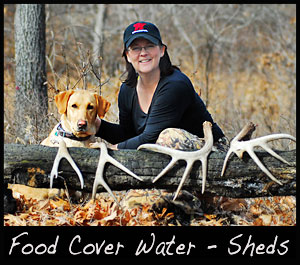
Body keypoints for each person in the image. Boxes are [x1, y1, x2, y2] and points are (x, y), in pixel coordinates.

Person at [96, 21, 226, 150]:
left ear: (162, 50)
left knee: (168, 137)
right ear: (127, 56)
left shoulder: (175, 85)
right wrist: (96, 126)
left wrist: (109, 150)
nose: (143, 53)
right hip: (168, 159)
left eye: (150, 46)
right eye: (136, 48)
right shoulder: (127, 90)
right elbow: (128, 136)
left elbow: (149, 138)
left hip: (212, 153)